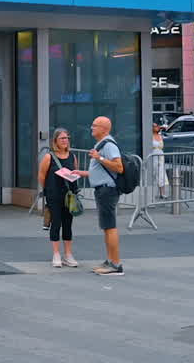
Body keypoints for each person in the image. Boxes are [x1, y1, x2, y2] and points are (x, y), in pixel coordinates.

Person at [73, 116, 124, 276]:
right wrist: (82, 173)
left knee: (110, 226)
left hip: (107, 191)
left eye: (95, 125)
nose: (91, 128)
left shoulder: (108, 145)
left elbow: (119, 167)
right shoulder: (101, 144)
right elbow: (100, 172)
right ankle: (110, 261)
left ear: (104, 128)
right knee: (106, 227)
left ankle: (116, 265)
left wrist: (99, 158)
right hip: (102, 189)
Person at [37, 128, 80, 268]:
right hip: (54, 195)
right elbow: (42, 176)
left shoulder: (72, 156)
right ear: (55, 141)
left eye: (67, 137)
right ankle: (56, 254)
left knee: (68, 224)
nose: (65, 140)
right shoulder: (49, 157)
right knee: (56, 223)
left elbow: (76, 172)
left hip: (69, 196)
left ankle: (68, 255)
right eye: (62, 138)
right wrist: (48, 190)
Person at [151, 122, 168, 198]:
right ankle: (153, 193)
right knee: (154, 173)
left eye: (157, 126)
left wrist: (163, 127)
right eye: (154, 126)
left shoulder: (160, 136)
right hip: (153, 156)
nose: (156, 127)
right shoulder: (149, 136)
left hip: (160, 156)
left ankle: (162, 193)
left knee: (161, 173)